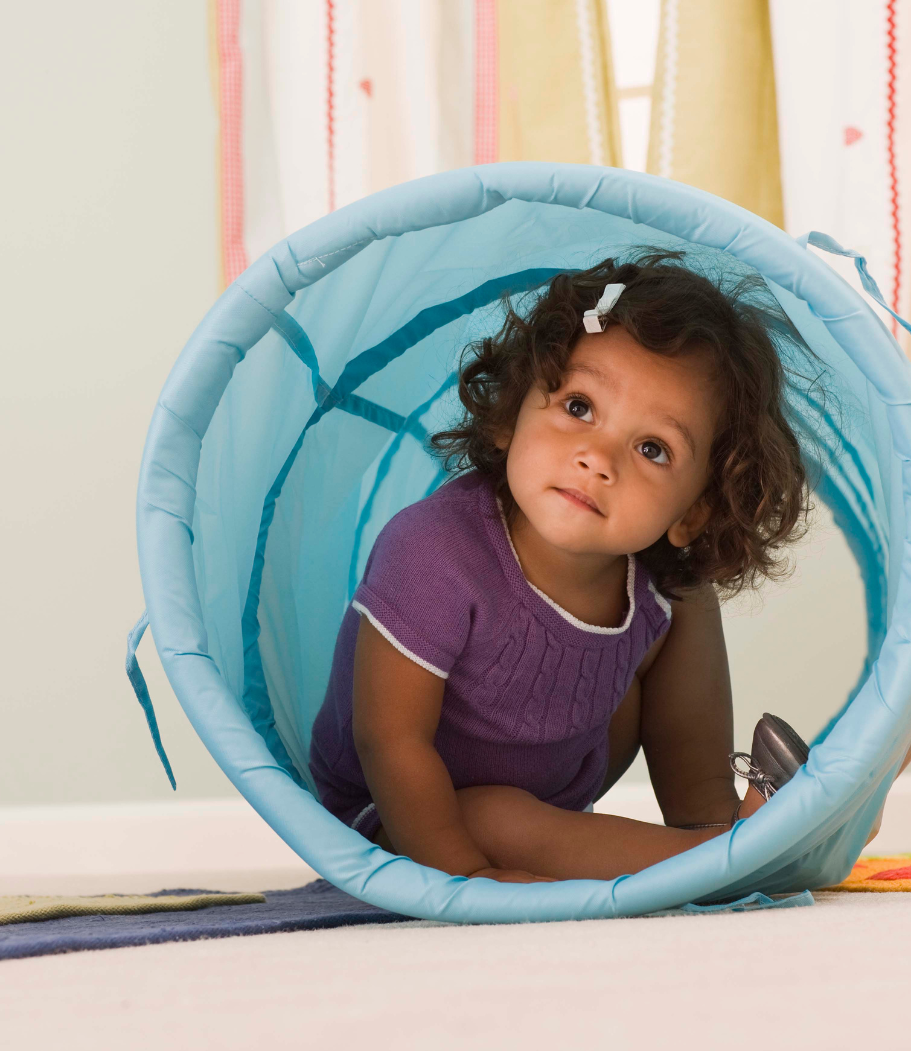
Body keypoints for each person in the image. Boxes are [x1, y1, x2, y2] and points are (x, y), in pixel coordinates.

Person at [308, 252, 837, 884]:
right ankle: (739, 861)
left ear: (692, 513)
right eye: (580, 407)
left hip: (560, 769)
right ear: (510, 414)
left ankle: (711, 826)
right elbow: (387, 742)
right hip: (403, 812)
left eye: (652, 449)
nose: (597, 457)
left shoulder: (655, 583)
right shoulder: (433, 552)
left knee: (684, 592)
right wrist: (463, 882)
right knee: (496, 817)